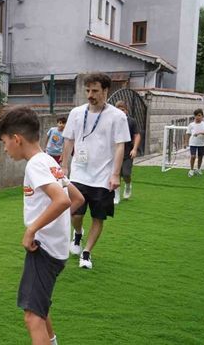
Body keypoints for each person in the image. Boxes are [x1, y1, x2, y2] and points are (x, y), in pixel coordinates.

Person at [0, 106, 84, 345]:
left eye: (4, 142)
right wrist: (56, 222)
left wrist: (32, 229)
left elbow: (63, 200)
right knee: (40, 306)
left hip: (43, 251)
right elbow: (77, 199)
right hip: (55, 250)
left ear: (17, 139)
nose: (4, 148)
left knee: (32, 317)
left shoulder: (35, 165)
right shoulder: (49, 161)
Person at [60, 72, 130, 269]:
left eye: (95, 91)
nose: (90, 94)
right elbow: (69, 140)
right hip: (79, 173)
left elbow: (119, 146)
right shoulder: (76, 113)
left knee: (98, 216)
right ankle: (78, 233)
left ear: (106, 90)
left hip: (103, 176)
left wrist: (115, 174)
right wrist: (64, 165)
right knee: (76, 214)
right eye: (88, 90)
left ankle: (87, 252)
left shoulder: (118, 117)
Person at [113, 101, 141, 204]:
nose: (120, 111)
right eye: (118, 110)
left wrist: (134, 149)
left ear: (126, 111)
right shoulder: (112, 121)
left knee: (126, 174)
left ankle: (128, 185)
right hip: (114, 153)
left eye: (123, 110)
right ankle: (116, 196)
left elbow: (137, 135)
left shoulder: (131, 121)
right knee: (115, 174)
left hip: (127, 153)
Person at [184, 108, 204, 177]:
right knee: (193, 156)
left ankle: (198, 169)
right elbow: (187, 134)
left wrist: (199, 133)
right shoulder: (191, 125)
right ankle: (191, 170)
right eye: (196, 115)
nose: (198, 117)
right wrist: (185, 143)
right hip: (193, 143)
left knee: (200, 157)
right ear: (194, 116)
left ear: (202, 116)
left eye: (199, 115)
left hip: (201, 143)